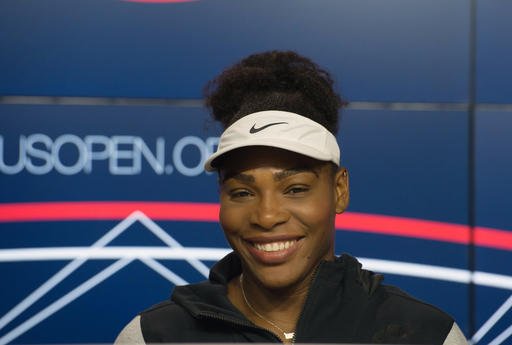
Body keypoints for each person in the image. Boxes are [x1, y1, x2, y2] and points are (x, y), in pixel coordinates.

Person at [115, 50, 467, 344]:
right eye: (242, 191)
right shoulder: (154, 336)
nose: (267, 216)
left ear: (339, 191)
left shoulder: (427, 335)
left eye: (295, 188)